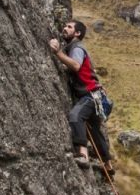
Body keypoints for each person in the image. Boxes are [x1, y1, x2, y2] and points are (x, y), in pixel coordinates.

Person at [49, 20, 114, 174]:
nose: (64, 29)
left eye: (69, 27)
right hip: (96, 96)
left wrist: (57, 52)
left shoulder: (76, 48)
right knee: (95, 131)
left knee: (75, 116)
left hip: (90, 96)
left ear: (77, 33)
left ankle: (82, 155)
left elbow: (76, 66)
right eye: (64, 26)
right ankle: (108, 166)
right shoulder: (74, 48)